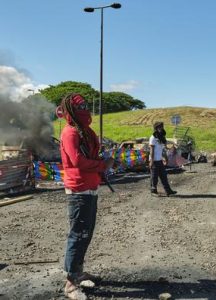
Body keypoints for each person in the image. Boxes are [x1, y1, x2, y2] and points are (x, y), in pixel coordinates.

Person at [59, 93, 114, 300]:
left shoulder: (85, 132)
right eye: (79, 106)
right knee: (78, 235)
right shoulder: (70, 133)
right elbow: (77, 161)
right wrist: (103, 165)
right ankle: (71, 283)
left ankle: (78, 272)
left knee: (86, 233)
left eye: (85, 105)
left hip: (90, 188)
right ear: (71, 110)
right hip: (79, 190)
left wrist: (102, 160)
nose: (84, 109)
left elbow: (88, 156)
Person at [149, 121, 177, 197]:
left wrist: (165, 157)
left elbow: (163, 149)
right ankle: (153, 191)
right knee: (154, 177)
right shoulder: (153, 138)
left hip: (160, 160)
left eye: (162, 127)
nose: (161, 128)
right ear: (156, 128)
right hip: (154, 160)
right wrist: (151, 161)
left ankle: (168, 191)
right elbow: (152, 150)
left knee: (164, 176)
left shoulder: (161, 137)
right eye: (159, 127)